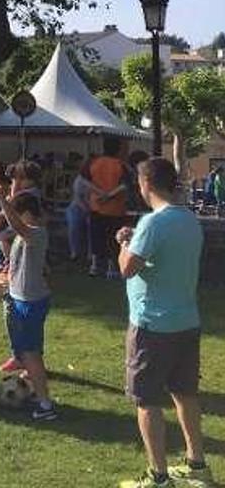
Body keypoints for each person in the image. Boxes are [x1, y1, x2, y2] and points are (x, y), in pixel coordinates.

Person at [116, 159, 213, 488]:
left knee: (146, 400)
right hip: (186, 321)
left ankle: (158, 475)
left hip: (152, 324)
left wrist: (124, 243)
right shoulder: (190, 219)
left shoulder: (152, 223)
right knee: (185, 393)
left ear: (146, 184)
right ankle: (197, 464)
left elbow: (127, 268)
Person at [0, 187, 57, 421]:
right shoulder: (24, 234)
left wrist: (2, 200)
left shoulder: (36, 232)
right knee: (28, 353)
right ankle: (34, 392)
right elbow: (4, 236)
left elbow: (16, 226)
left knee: (30, 355)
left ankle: (45, 404)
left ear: (27, 213)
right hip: (21, 299)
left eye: (18, 214)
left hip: (31, 302)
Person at [88, 137, 129, 279]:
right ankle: (112, 268)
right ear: (118, 149)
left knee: (96, 237)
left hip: (96, 206)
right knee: (113, 239)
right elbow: (125, 185)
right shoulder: (120, 165)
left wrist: (99, 194)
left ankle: (94, 266)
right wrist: (109, 195)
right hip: (115, 208)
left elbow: (84, 181)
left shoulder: (94, 163)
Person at [65, 156, 104, 262]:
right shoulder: (80, 180)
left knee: (93, 227)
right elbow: (78, 199)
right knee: (74, 224)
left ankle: (91, 255)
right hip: (77, 207)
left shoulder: (99, 180)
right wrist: (87, 211)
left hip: (94, 208)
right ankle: (75, 252)